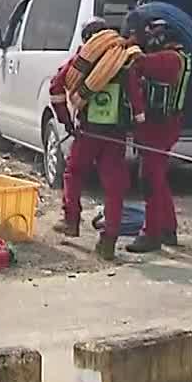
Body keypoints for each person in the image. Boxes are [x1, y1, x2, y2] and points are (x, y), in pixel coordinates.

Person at [50, 18, 135, 261]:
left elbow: (56, 87)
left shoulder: (82, 60)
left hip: (88, 132)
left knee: (74, 172)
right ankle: (109, 239)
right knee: (114, 185)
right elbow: (136, 96)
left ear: (87, 39)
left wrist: (66, 120)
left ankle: (72, 220)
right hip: (116, 135)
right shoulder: (124, 60)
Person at [123, 8, 191, 254]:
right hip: (159, 126)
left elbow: (139, 64)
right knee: (158, 178)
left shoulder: (170, 59)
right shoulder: (173, 57)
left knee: (149, 180)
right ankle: (167, 228)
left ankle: (150, 234)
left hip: (160, 128)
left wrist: (130, 47)